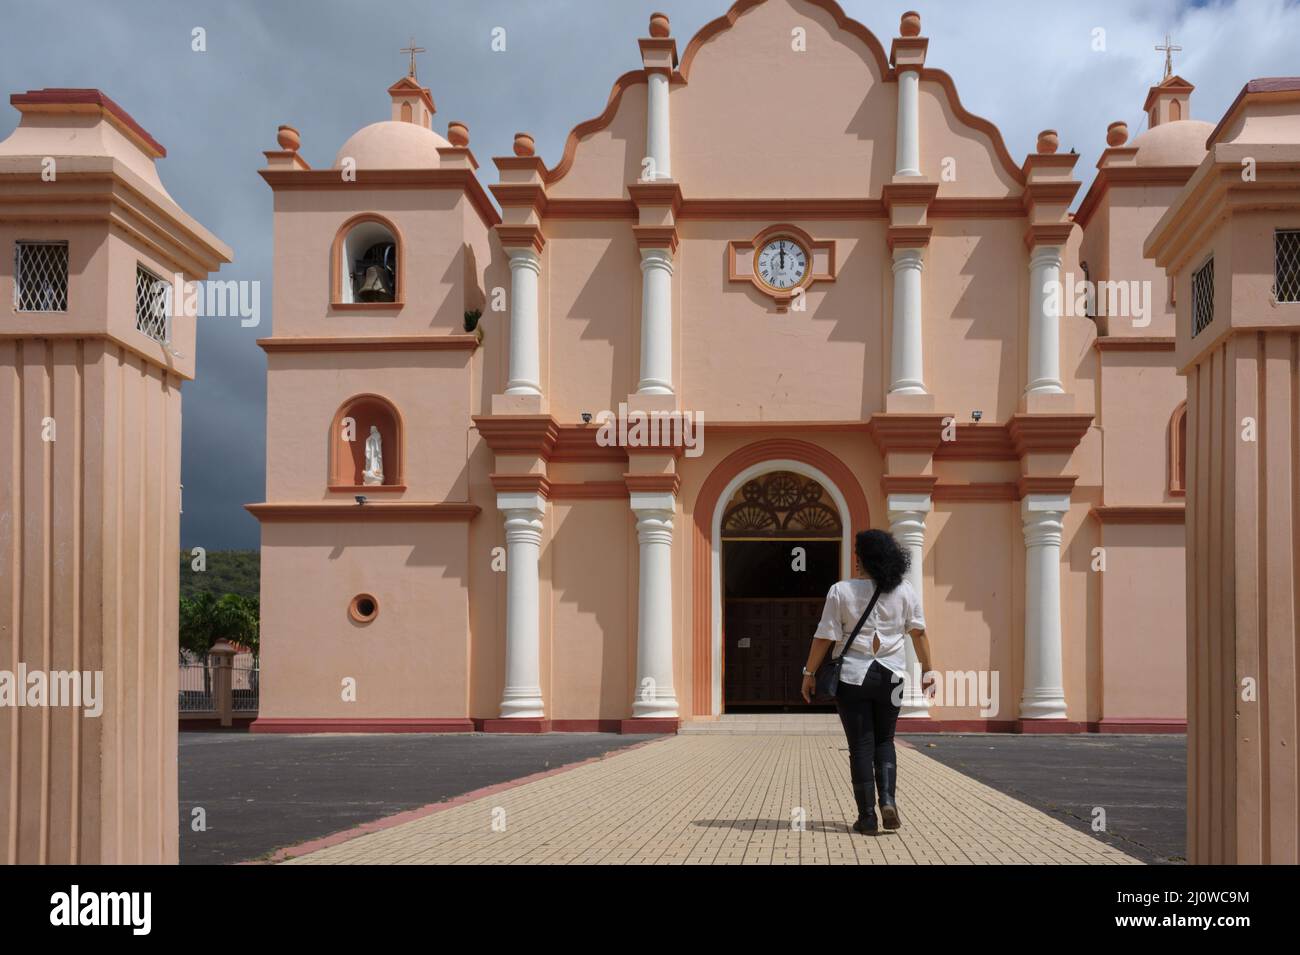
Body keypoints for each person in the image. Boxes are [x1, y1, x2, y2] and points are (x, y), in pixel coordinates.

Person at [800, 529, 934, 834]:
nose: (855, 559)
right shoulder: (905, 591)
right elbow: (919, 633)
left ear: (865, 559)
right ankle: (888, 799)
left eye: (858, 554)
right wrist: (928, 670)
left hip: (853, 677)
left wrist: (809, 673)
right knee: (885, 740)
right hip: (893, 676)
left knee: (861, 745)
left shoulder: (841, 591)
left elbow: (825, 637)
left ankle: (868, 816)